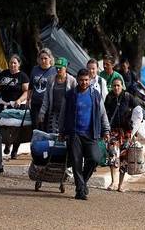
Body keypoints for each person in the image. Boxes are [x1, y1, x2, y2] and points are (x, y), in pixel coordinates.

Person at [58, 68, 110, 200]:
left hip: (91, 133)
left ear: (90, 80)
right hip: (74, 133)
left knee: (95, 158)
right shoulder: (70, 95)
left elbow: (103, 113)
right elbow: (63, 114)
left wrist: (106, 130)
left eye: (86, 80)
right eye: (81, 80)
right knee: (76, 162)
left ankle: (82, 183)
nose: (84, 82)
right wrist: (61, 131)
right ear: (77, 80)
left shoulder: (95, 95)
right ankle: (80, 191)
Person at [0, 54, 29, 159]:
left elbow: (27, 92)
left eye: (15, 63)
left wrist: (19, 100)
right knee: (2, 125)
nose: (12, 65)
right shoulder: (4, 73)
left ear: (19, 64)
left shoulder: (23, 76)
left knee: (17, 129)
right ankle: (7, 143)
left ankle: (14, 150)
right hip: (4, 104)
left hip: (17, 105)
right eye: (11, 62)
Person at [104, 77, 139, 192]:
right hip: (113, 131)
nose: (116, 88)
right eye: (114, 85)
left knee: (124, 158)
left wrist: (136, 128)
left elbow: (138, 111)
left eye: (118, 85)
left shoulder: (128, 97)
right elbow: (104, 113)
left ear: (122, 86)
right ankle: (113, 182)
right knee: (113, 155)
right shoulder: (109, 97)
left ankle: (121, 184)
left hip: (126, 132)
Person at [38, 57, 76, 134]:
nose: (58, 70)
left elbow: (75, 98)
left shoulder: (72, 81)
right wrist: (42, 112)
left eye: (60, 68)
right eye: (56, 68)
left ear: (65, 68)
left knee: (65, 134)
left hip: (66, 112)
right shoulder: (51, 79)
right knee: (52, 133)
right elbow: (46, 98)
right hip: (54, 112)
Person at [29, 48, 57, 131]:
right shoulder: (35, 69)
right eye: (41, 58)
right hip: (35, 103)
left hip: (48, 105)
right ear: (38, 59)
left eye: (45, 58)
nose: (43, 60)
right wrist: (28, 99)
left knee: (46, 128)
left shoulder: (54, 70)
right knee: (36, 127)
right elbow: (30, 86)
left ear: (50, 59)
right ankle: (35, 143)